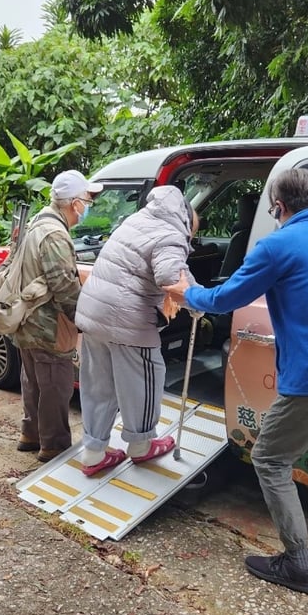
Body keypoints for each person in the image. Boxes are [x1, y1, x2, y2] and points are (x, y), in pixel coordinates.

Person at [164, 168, 308, 594]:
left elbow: (228, 298)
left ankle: (298, 564)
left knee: (269, 459)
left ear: (279, 208)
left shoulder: (279, 245)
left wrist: (185, 292)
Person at [74, 185, 199, 476]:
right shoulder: (171, 234)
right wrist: (199, 303)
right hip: (127, 321)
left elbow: (176, 269)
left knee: (99, 385)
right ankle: (141, 446)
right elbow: (172, 276)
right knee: (145, 379)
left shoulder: (137, 220)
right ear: (184, 218)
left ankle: (94, 453)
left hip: (93, 314)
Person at [12, 169, 102, 463]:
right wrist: (84, 320)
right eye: (88, 199)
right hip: (46, 325)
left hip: (28, 320)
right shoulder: (54, 234)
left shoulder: (40, 221)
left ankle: (31, 434)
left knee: (34, 381)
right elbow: (63, 285)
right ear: (74, 203)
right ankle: (53, 446)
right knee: (55, 384)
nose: (89, 204)